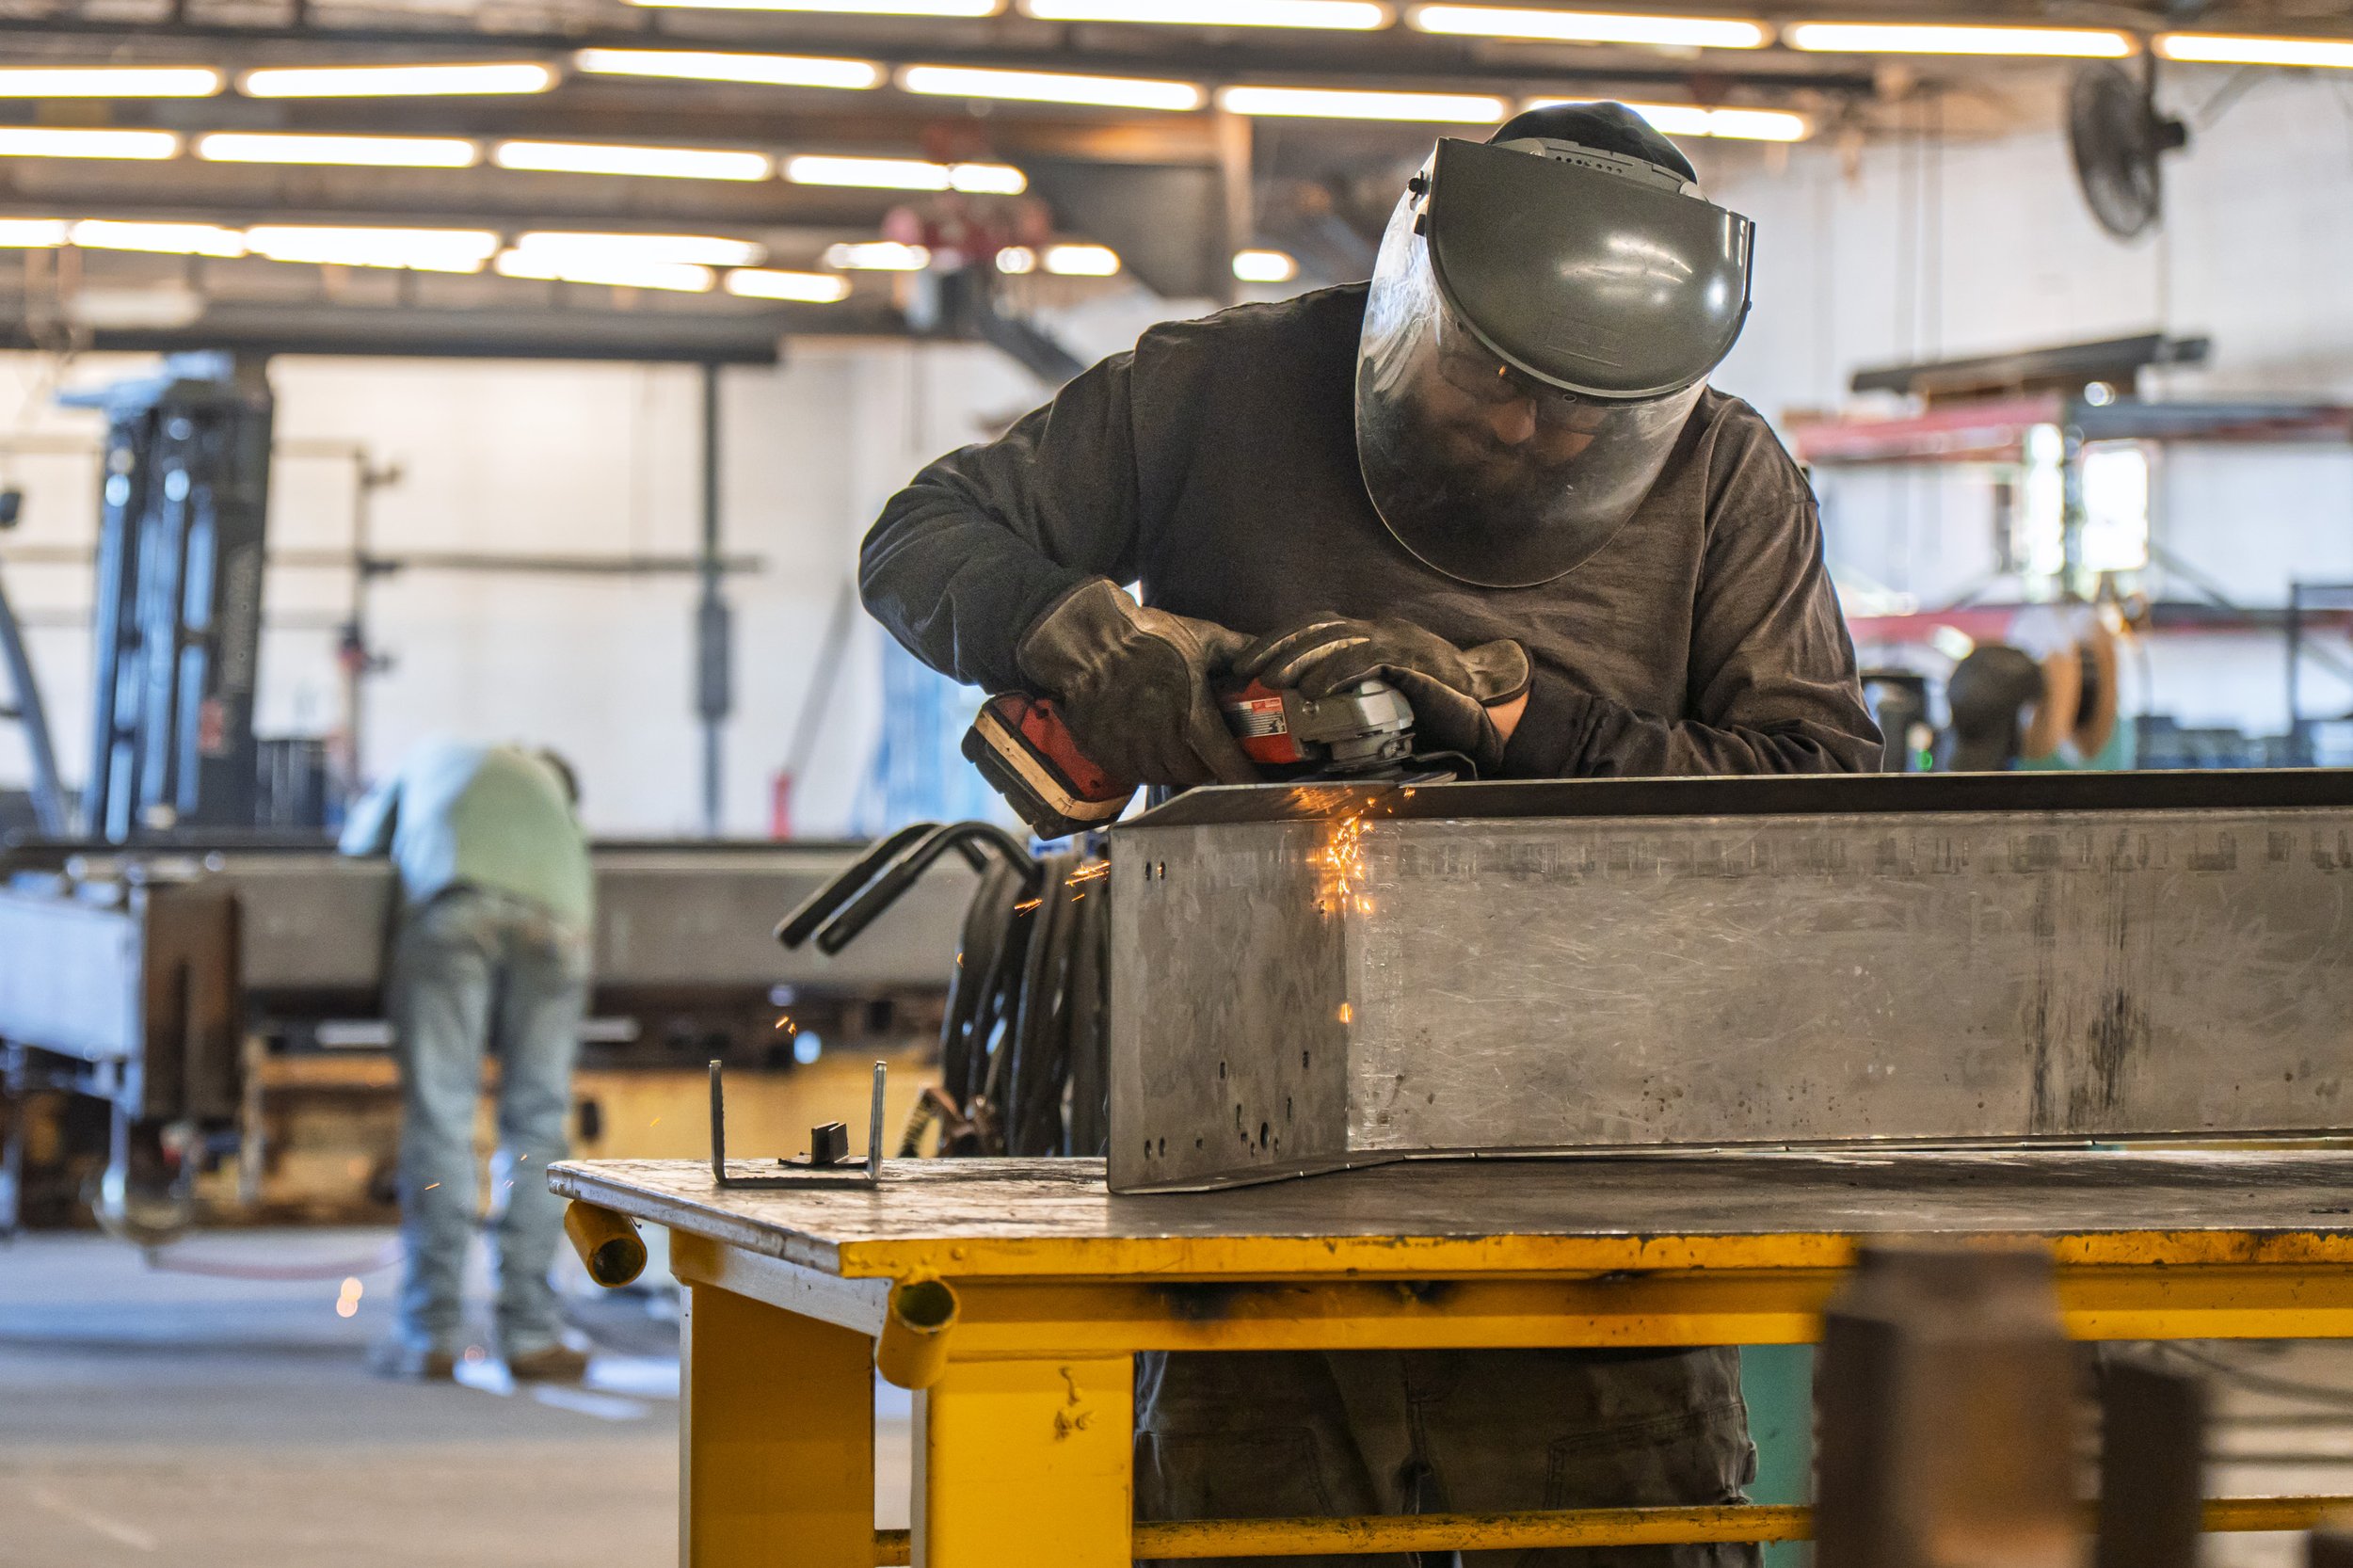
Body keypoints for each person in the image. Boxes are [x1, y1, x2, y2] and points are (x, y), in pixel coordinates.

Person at [861, 102, 1879, 1564]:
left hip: (1582, 1173)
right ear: (1415, 288)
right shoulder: (1214, 387)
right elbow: (921, 537)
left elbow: (1816, 788)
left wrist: (1515, 727)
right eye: (1495, 386)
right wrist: (1085, 640)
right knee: (1246, 1521)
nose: (1535, 431)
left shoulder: (1728, 480)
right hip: (1242, 1152)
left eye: (1583, 412)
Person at [339, 740, 595, 1383]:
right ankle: (533, 1334)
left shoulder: (424, 762)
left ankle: (429, 1333)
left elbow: (352, 853)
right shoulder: (550, 786)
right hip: (559, 927)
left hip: (453, 912)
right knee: (539, 1124)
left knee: (444, 1117)